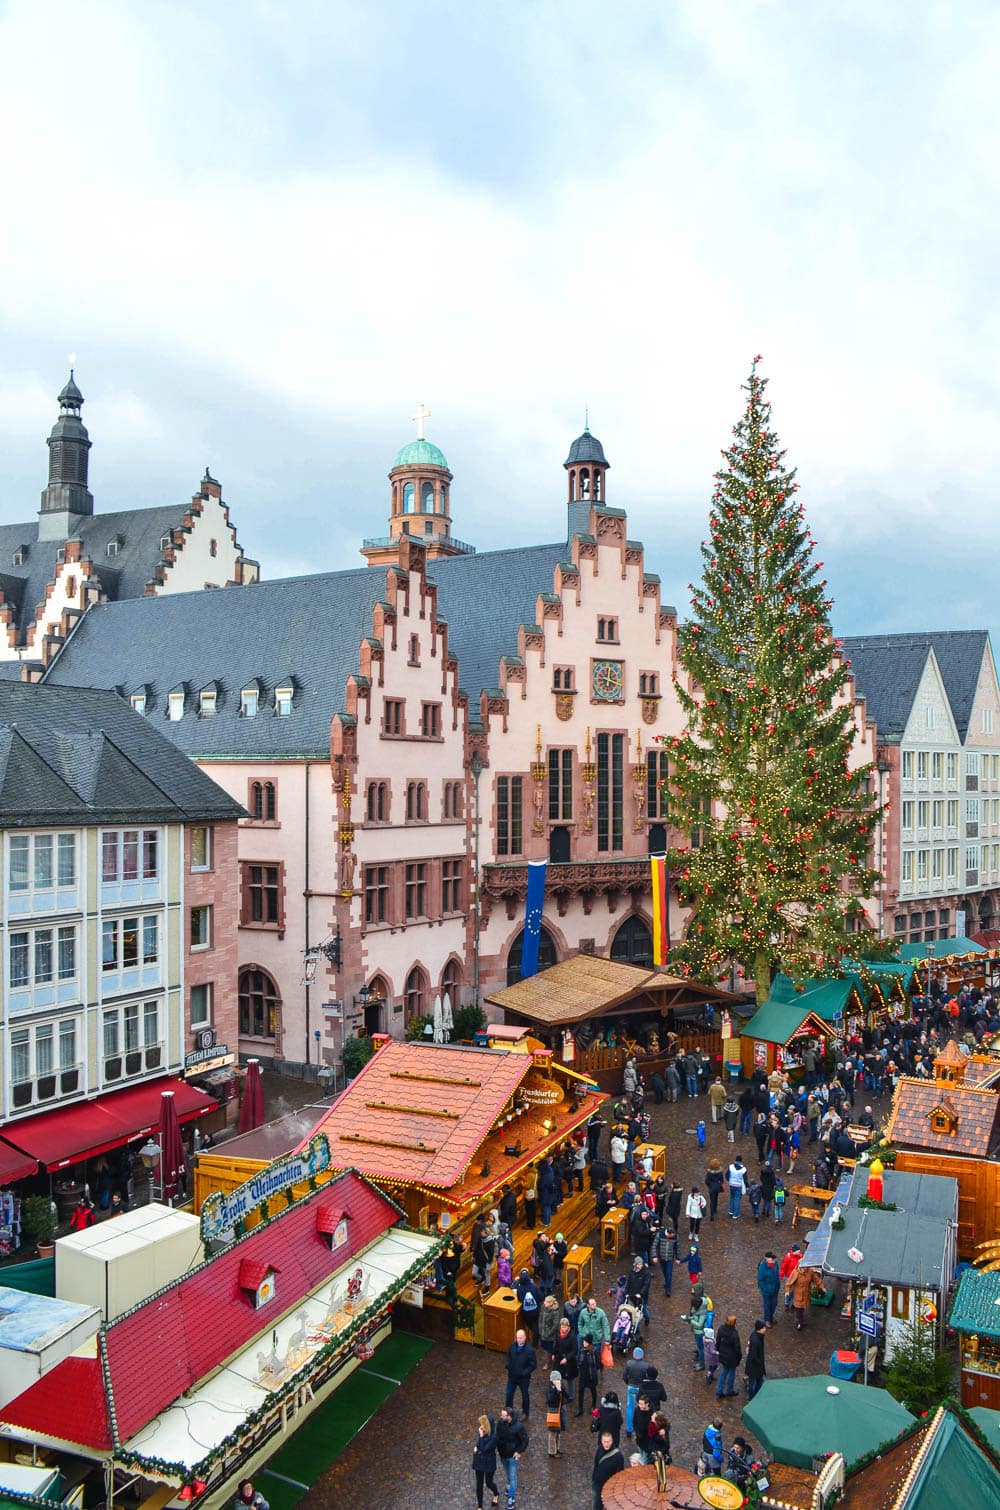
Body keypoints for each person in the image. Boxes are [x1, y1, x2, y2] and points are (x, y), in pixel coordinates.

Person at [495, 1406, 528, 1510]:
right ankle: (509, 1485)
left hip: (513, 1456)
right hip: (503, 1454)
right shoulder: (500, 1423)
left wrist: (519, 1451)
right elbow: (497, 1436)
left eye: (503, 1415)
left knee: (513, 1476)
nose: (501, 1417)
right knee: (508, 1473)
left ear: (509, 1416)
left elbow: (525, 1440)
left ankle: (511, 1498)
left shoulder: (519, 1426)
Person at [504, 1329, 536, 1417]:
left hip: (523, 1378)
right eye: (517, 1338)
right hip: (512, 1376)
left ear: (525, 1338)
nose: (519, 1340)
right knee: (509, 1393)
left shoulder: (530, 1350)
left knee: (525, 1395)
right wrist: (508, 1365)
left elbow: (533, 1365)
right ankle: (508, 1411)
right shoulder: (512, 1345)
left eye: (521, 1338)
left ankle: (525, 1412)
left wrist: (524, 1373)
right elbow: (508, 1356)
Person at [592, 1430, 625, 1510]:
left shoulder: (618, 1456)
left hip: (610, 1488)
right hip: (598, 1485)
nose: (606, 1444)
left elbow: (619, 1475)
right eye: (604, 1441)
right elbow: (596, 1464)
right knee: (597, 1506)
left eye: (608, 1441)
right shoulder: (599, 1449)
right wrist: (594, 1478)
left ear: (612, 1441)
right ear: (601, 1441)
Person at [472, 1413, 500, 1509]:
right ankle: (480, 1506)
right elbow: (479, 1445)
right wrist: (476, 1447)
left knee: (489, 1482)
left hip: (489, 1463)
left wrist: (480, 1436)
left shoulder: (494, 1437)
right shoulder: (483, 1433)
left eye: (483, 1425)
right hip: (480, 1461)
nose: (481, 1427)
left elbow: (484, 1449)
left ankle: (496, 1493)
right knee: (479, 1484)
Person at [786, 1263, 825, 1329]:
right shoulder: (795, 1273)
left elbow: (816, 1279)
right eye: (802, 1268)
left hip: (806, 1294)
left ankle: (801, 1320)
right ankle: (799, 1322)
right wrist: (787, 1291)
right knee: (799, 1309)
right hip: (798, 1294)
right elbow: (789, 1283)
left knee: (803, 1308)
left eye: (805, 1267)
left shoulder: (810, 1272)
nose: (804, 1269)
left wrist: (822, 1287)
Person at [623, 1345, 649, 1437]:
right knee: (641, 1408)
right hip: (640, 1389)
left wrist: (628, 1383)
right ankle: (640, 1428)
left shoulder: (629, 1364)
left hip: (631, 1387)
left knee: (630, 1407)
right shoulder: (646, 1366)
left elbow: (624, 1376)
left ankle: (629, 1430)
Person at [714, 1314, 741, 1399]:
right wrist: (739, 1357)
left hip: (723, 1354)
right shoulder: (734, 1334)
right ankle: (729, 1390)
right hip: (732, 1357)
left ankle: (719, 1390)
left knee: (724, 1372)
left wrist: (719, 1351)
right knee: (731, 1373)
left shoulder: (721, 1329)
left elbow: (718, 1341)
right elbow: (737, 1348)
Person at [553, 1317, 578, 1401]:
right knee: (557, 1376)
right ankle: (559, 1392)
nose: (563, 1328)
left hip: (569, 1361)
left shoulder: (572, 1336)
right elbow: (556, 1344)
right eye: (562, 1326)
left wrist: (567, 1358)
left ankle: (571, 1395)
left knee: (569, 1379)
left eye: (565, 1327)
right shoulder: (558, 1334)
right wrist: (554, 1353)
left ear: (568, 1327)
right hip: (559, 1358)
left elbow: (575, 1350)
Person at [650, 1220, 676, 1296]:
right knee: (665, 1271)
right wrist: (654, 1256)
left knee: (669, 1273)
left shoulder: (675, 1237)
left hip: (670, 1258)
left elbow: (677, 1247)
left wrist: (678, 1257)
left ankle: (668, 1289)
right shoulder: (660, 1235)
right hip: (662, 1257)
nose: (671, 1237)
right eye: (670, 1236)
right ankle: (667, 1282)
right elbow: (654, 1245)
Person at [545, 1368, 567, 1457]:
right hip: (553, 1412)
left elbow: (567, 1396)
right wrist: (556, 1391)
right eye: (556, 1379)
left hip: (560, 1411)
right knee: (553, 1432)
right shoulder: (550, 1389)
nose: (557, 1381)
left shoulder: (560, 1386)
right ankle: (552, 1451)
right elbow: (550, 1399)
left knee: (558, 1432)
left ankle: (556, 1449)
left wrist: (562, 1389)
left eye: (559, 1379)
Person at [577, 1336, 601, 1416]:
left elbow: (598, 1363)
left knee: (593, 1390)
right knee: (580, 1391)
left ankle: (593, 1405)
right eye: (584, 1341)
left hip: (591, 1375)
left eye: (586, 1342)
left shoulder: (594, 1351)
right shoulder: (581, 1350)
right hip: (583, 1375)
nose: (584, 1343)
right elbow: (579, 1361)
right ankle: (580, 1409)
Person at [757, 1251, 781, 1327]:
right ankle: (767, 1320)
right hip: (766, 1291)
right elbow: (760, 1279)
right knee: (767, 1305)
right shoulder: (762, 1267)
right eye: (772, 1259)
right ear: (767, 1259)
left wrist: (778, 1285)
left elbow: (777, 1274)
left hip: (775, 1289)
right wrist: (765, 1289)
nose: (774, 1260)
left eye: (774, 1258)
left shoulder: (776, 1264)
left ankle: (770, 1317)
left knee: (774, 1304)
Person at [745, 1319, 767, 1399]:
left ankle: (755, 1396)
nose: (765, 1329)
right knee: (753, 1383)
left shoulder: (756, 1336)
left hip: (756, 1366)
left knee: (758, 1382)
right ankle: (751, 1398)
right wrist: (759, 1362)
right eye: (763, 1327)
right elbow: (753, 1355)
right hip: (754, 1366)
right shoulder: (756, 1340)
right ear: (759, 1329)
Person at [779, 1243, 802, 1312]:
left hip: (796, 1276)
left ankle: (793, 1303)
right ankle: (787, 1303)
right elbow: (783, 1267)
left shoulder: (800, 1256)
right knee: (788, 1290)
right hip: (788, 1276)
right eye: (798, 1251)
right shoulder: (788, 1257)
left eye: (799, 1251)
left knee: (795, 1290)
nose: (799, 1252)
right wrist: (781, 1275)